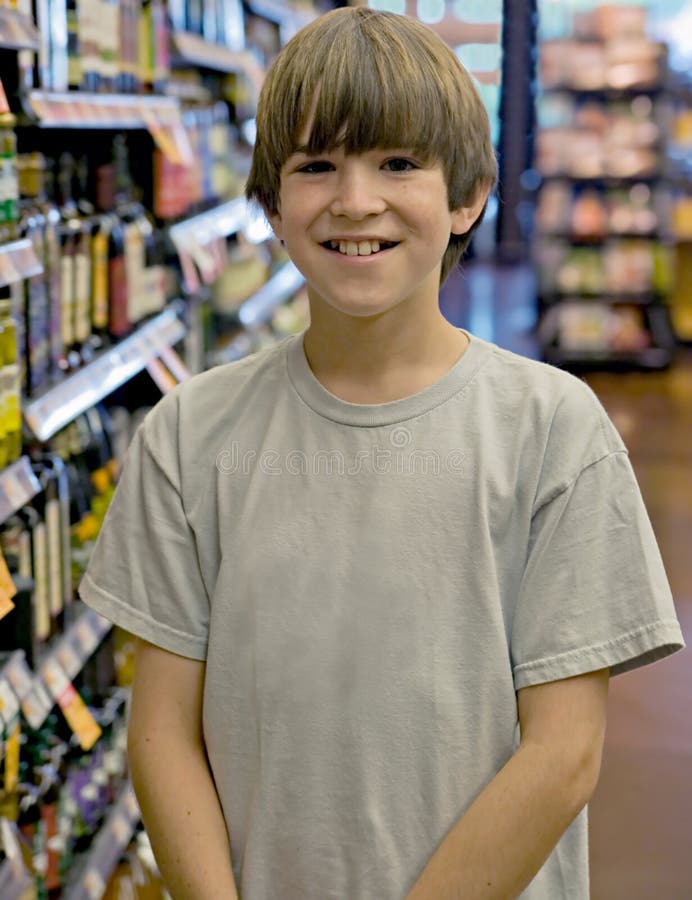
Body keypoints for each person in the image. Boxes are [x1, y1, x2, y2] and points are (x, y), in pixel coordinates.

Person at [79, 7, 685, 899]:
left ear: (467, 195)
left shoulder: (556, 431)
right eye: (316, 165)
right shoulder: (188, 435)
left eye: (398, 163)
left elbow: (564, 753)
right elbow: (164, 731)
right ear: (273, 206)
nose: (355, 200)